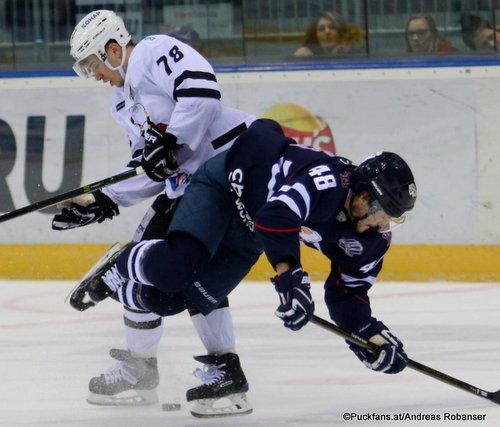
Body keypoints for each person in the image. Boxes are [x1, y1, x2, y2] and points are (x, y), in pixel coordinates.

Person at [78, 118, 417, 387]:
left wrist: (368, 335)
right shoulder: (327, 182)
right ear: (362, 197)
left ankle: (126, 288)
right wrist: (290, 276)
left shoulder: (371, 239)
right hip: (224, 188)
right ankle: (121, 263)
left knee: (165, 301)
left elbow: (348, 293)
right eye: (383, 213)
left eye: (393, 219)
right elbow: (276, 217)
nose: (383, 225)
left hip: (252, 231)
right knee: (175, 268)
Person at [54, 9, 256, 417]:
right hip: (194, 187)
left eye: (93, 64)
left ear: (113, 49)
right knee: (171, 271)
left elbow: (201, 88)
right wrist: (103, 200)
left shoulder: (152, 52)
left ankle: (151, 368)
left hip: (227, 170)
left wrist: (172, 141)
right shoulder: (121, 103)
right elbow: (150, 168)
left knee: (152, 263)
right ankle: (185, 371)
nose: (94, 75)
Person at [293, 11, 365, 57]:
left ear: (341, 32)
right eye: (321, 29)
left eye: (332, 27)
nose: (327, 32)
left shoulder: (355, 54)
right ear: (315, 36)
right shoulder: (309, 54)